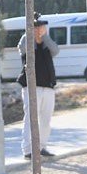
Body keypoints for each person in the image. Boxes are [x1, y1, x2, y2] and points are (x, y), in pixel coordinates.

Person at [18, 13, 59, 160]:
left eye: (40, 27)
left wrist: (44, 36)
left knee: (45, 119)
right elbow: (23, 49)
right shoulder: (26, 40)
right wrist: (30, 34)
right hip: (31, 86)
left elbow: (55, 50)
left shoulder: (46, 42)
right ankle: (28, 149)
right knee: (31, 118)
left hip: (48, 86)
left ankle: (41, 147)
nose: (39, 29)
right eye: (36, 27)